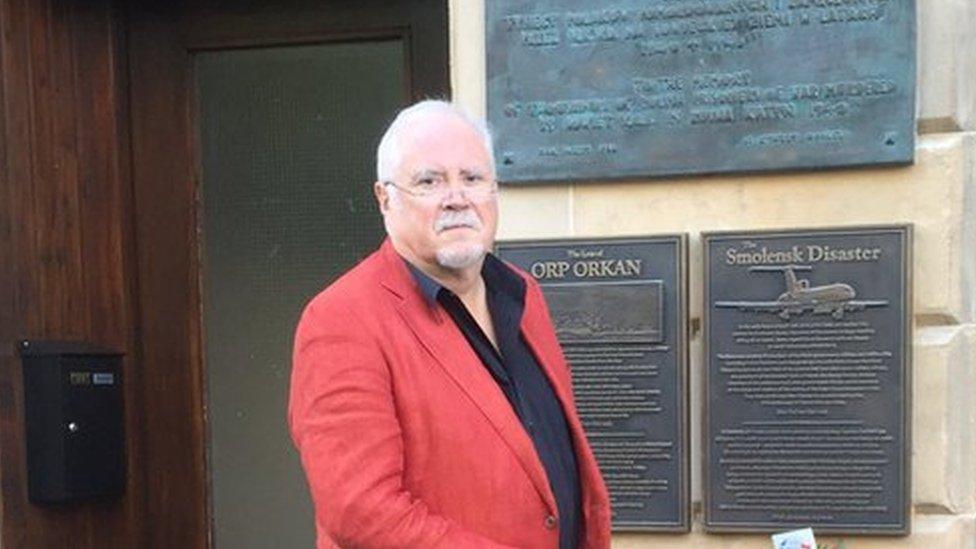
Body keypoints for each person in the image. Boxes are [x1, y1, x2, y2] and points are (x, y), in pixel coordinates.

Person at [288, 100, 611, 548]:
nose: (457, 198)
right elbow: (361, 511)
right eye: (429, 181)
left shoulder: (522, 295)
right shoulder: (341, 321)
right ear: (385, 198)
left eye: (473, 178)